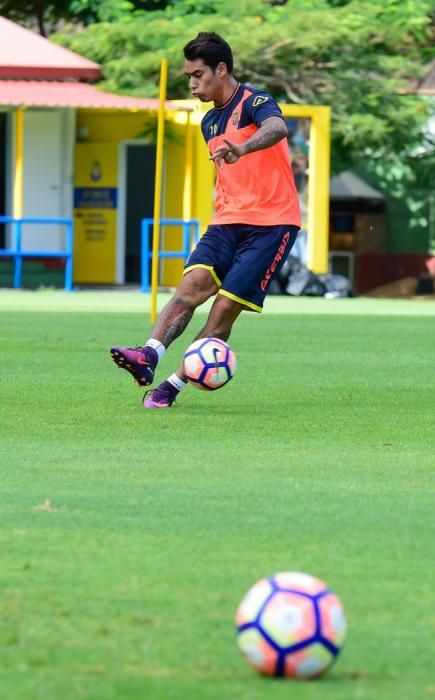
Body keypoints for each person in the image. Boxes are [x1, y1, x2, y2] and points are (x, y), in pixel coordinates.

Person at [110, 31, 301, 408]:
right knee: (191, 286)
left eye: (198, 74)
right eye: (188, 77)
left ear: (221, 69)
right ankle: (148, 355)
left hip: (273, 223)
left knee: (224, 308)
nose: (193, 83)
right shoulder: (209, 122)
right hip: (227, 221)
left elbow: (277, 127)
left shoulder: (255, 101)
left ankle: (171, 386)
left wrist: (242, 148)